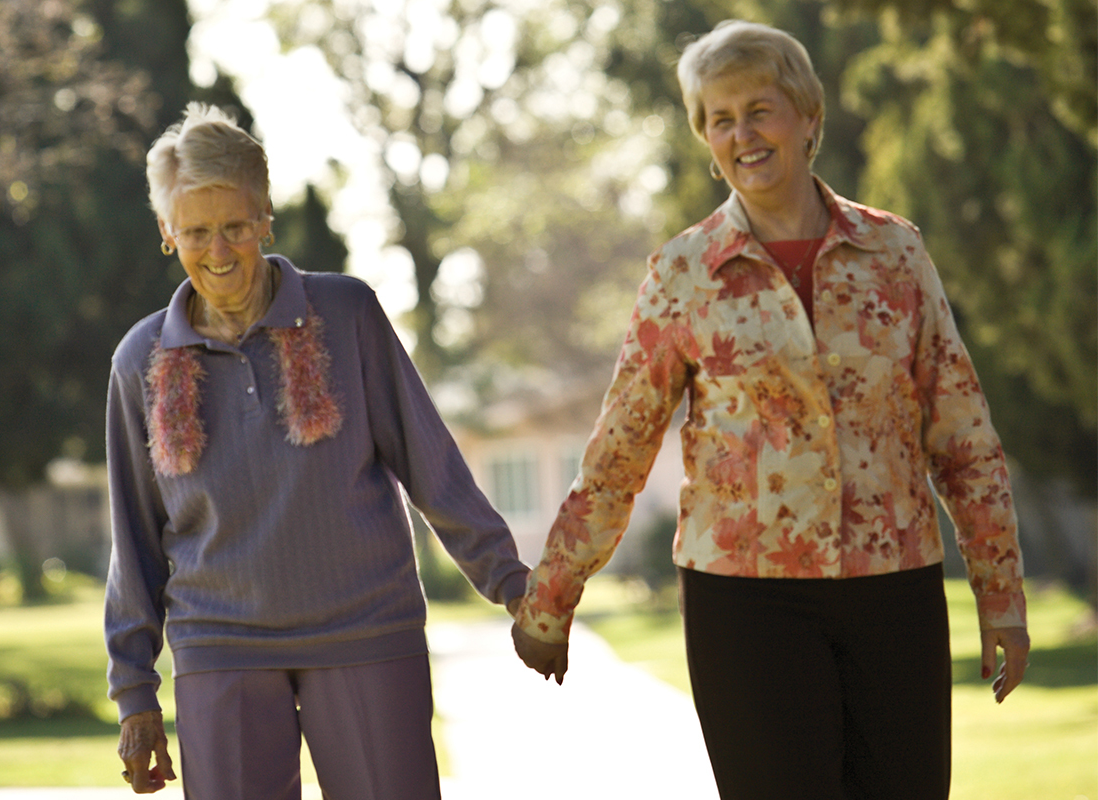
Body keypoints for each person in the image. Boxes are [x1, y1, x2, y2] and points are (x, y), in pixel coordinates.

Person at [510, 20, 1029, 800]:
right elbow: (619, 450)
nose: (741, 134)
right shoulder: (683, 273)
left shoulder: (897, 254)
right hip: (746, 603)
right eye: (720, 119)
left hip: (893, 589)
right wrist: (552, 596)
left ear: (808, 117)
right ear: (705, 138)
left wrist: (1002, 597)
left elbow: (963, 439)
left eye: (761, 109)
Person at [105, 102, 529, 798]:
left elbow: (434, 468)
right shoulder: (140, 359)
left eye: (236, 228)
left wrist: (513, 587)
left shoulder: (348, 313)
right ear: (165, 231)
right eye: (197, 232)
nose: (218, 253)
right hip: (222, 647)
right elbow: (135, 536)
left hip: (365, 631)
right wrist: (135, 695)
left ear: (266, 215)